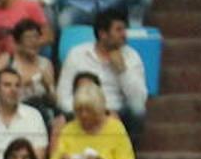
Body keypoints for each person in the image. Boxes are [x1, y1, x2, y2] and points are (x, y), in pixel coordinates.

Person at [56, 9, 146, 138]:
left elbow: (139, 99)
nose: (124, 35)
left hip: (117, 111)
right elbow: (63, 96)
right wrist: (87, 111)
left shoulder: (131, 56)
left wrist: (122, 71)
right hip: (83, 110)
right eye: (119, 30)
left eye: (124, 30)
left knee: (138, 110)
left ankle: (127, 147)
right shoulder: (77, 54)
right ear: (103, 34)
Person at [47, 83, 139, 159]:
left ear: (99, 109)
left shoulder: (116, 129)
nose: (84, 115)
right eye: (79, 110)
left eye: (88, 110)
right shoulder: (69, 129)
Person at [0, 17, 54, 119]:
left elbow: (54, 101)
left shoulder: (46, 64)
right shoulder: (7, 60)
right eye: (28, 38)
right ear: (18, 43)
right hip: (12, 110)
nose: (33, 42)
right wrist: (19, 83)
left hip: (41, 112)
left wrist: (48, 88)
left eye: (36, 37)